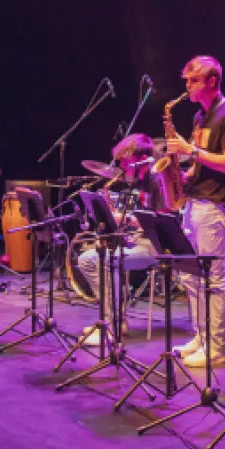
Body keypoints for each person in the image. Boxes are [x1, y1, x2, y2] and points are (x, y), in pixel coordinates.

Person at [165, 55, 225, 368]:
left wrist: (190, 151)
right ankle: (201, 336)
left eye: (193, 80)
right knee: (190, 275)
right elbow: (203, 162)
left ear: (212, 82)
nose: (187, 87)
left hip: (214, 205)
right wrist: (181, 174)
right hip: (194, 200)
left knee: (213, 278)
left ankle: (216, 346)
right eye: (186, 81)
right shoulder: (200, 117)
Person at [76, 133, 162, 346]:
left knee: (107, 260)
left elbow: (162, 223)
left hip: (154, 246)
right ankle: (116, 318)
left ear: (137, 158)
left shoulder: (157, 181)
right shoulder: (139, 183)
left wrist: (132, 220)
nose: (122, 167)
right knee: (86, 259)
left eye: (125, 161)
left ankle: (111, 327)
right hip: (138, 240)